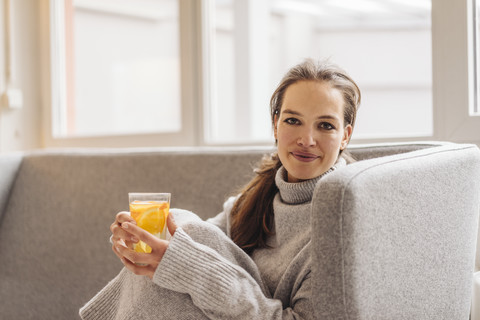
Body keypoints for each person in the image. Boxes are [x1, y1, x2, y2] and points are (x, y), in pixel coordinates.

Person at [79, 58, 361, 320]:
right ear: (275, 125)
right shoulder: (257, 198)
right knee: (179, 227)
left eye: (325, 125)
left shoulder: (338, 225)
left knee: (184, 236)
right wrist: (138, 241)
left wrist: (185, 266)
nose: (307, 139)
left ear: (345, 136)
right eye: (292, 120)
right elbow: (195, 242)